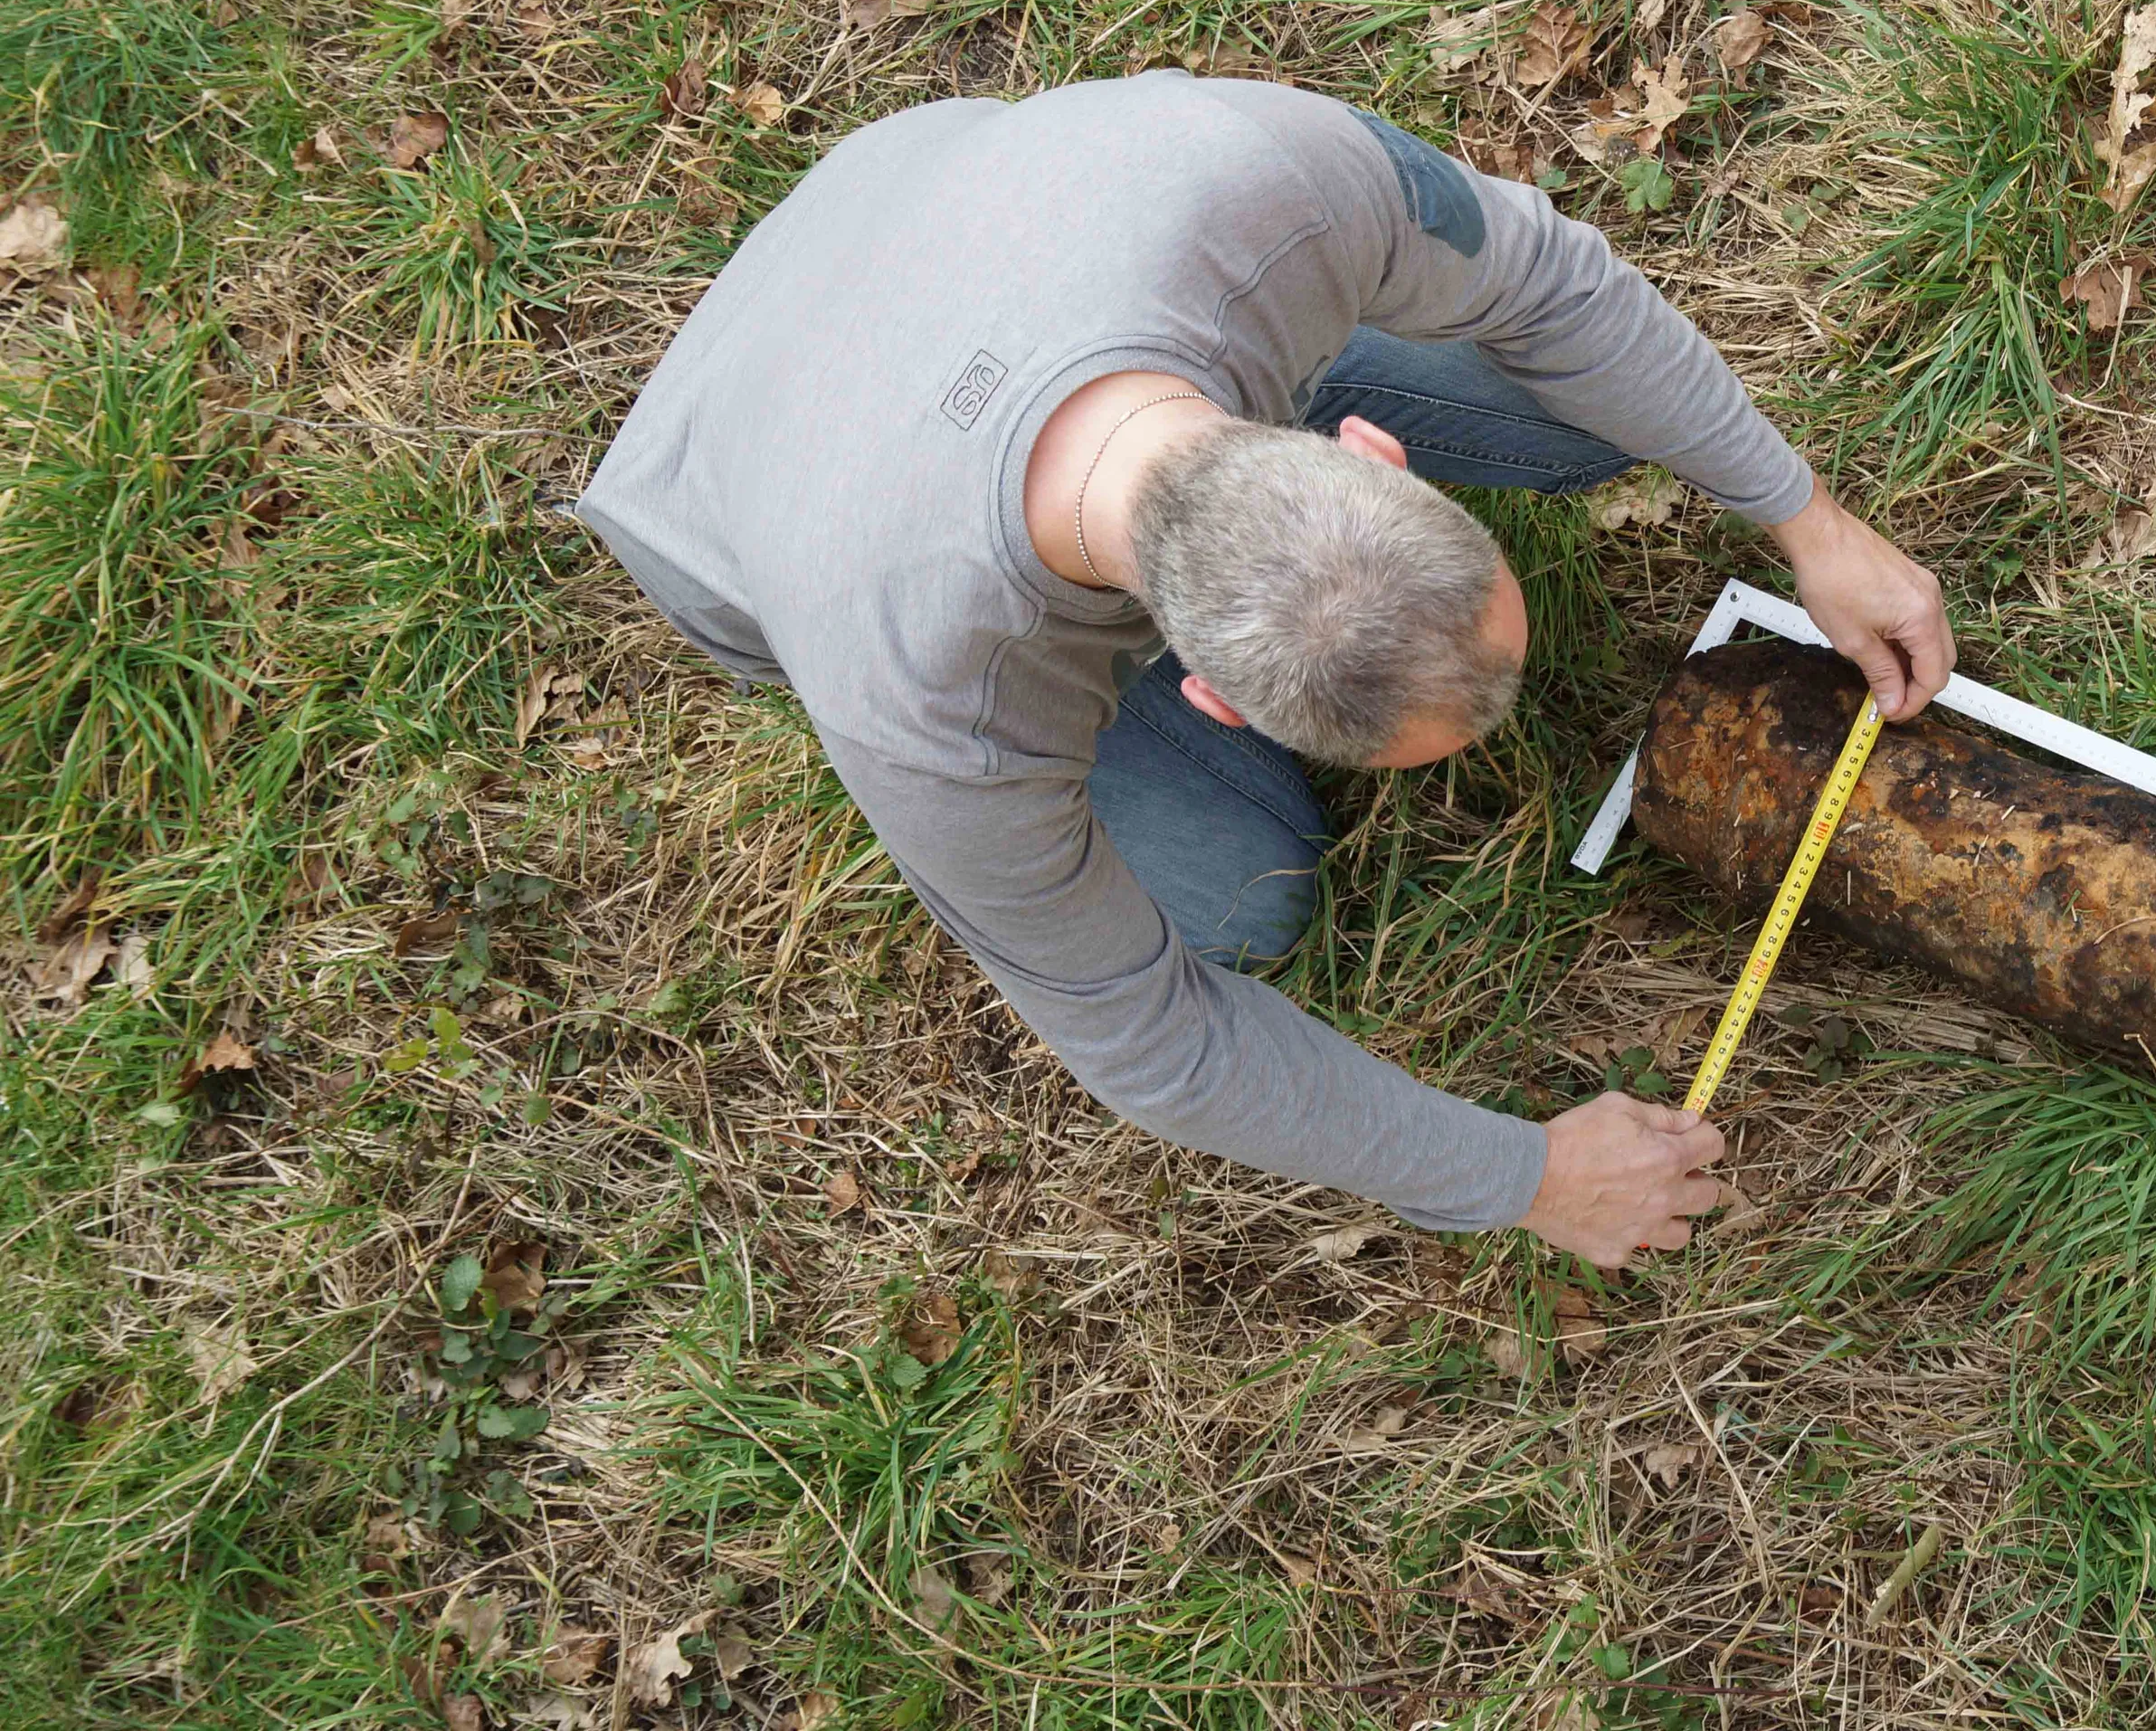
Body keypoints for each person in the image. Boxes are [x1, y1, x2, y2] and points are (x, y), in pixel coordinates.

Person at [575, 71, 1953, 1266]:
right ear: (1206, 690)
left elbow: (1554, 280)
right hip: (731, 475)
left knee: (1573, 412)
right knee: (1232, 907)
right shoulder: (934, 704)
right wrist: (1526, 1180)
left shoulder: (1264, 182)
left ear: (1366, 456)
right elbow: (1153, 1041)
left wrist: (1805, 518)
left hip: (903, 194)